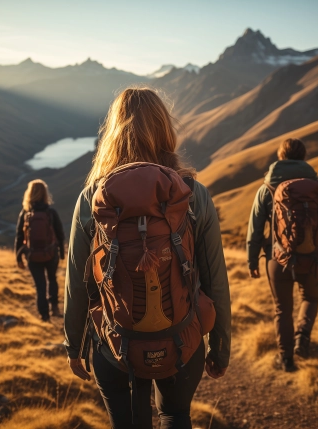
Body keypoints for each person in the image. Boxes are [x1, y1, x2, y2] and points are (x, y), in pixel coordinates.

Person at [64, 87, 231, 429]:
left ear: (114, 132)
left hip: (114, 342)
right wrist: (220, 346)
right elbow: (215, 278)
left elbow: (78, 284)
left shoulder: (92, 197)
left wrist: (74, 345)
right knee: (174, 414)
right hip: (182, 337)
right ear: (165, 129)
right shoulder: (193, 194)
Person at [247, 138, 318, 372]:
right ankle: (303, 337)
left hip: (277, 259)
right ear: (304, 157)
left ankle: (286, 360)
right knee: (310, 299)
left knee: (283, 309)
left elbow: (254, 229)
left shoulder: (267, 187)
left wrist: (252, 261)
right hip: (312, 259)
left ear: (281, 157)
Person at [15, 179, 65, 322]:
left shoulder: (25, 213)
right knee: (52, 279)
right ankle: (54, 308)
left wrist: (18, 258)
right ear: (45, 193)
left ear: (29, 194)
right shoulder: (51, 212)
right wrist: (61, 253)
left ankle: (44, 316)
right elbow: (60, 233)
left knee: (40, 285)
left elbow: (19, 236)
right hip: (51, 253)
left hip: (32, 255)